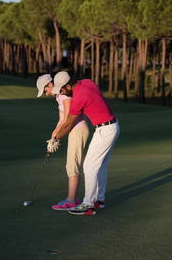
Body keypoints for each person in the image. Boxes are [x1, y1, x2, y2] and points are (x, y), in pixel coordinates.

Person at [49, 72, 120, 216]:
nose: (61, 93)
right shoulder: (87, 82)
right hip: (112, 126)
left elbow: (68, 124)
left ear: (69, 86)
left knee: (89, 165)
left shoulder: (79, 98)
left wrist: (55, 139)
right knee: (100, 165)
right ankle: (99, 200)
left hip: (105, 130)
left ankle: (88, 204)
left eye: (62, 90)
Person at [36, 73, 89, 210]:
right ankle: (71, 199)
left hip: (78, 129)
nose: (45, 93)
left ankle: (71, 201)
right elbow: (61, 121)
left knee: (72, 164)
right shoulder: (59, 96)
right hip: (73, 129)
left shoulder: (64, 95)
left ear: (49, 84)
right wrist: (53, 137)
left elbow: (67, 120)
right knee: (71, 165)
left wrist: (57, 138)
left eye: (45, 90)